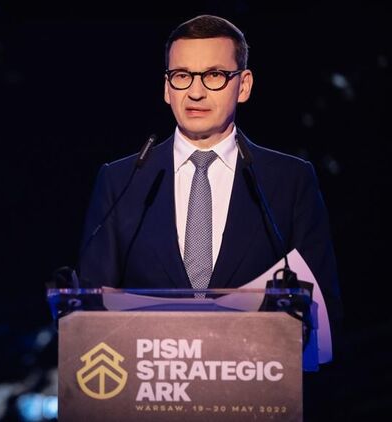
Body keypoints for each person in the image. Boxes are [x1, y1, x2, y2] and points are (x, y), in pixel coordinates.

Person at [77, 15, 342, 327]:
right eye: (182, 75)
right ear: (167, 88)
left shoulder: (290, 181)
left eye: (214, 75)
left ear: (244, 86)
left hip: (255, 357)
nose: (196, 92)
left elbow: (322, 310)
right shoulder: (121, 181)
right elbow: (88, 314)